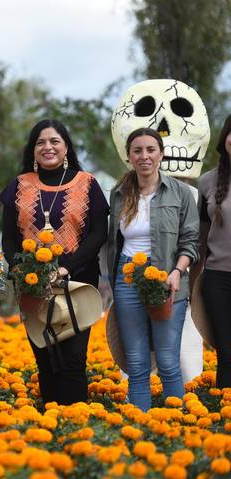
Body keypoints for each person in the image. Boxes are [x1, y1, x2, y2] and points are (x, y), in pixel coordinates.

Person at [0, 119, 109, 406]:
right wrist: (20, 271)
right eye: (40, 142)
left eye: (54, 141)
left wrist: (65, 268)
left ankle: (76, 427)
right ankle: (51, 431)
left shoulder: (87, 184)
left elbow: (99, 233)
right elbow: (9, 240)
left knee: (73, 360)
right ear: (33, 150)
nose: (48, 147)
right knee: (45, 360)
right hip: (33, 287)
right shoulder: (19, 186)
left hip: (78, 284)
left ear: (66, 147)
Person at [108, 128, 199, 411]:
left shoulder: (181, 193)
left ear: (160, 154)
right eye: (137, 151)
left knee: (169, 360)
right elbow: (113, 240)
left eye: (150, 150)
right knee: (136, 362)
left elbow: (191, 241)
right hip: (127, 278)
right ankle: (141, 425)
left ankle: (176, 424)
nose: (144, 156)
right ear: (129, 157)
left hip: (168, 279)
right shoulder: (119, 193)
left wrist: (177, 271)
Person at [196, 114, 231, 388]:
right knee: (226, 353)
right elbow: (200, 237)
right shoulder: (207, 182)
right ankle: (224, 415)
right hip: (218, 279)